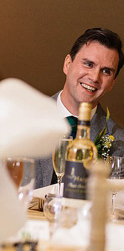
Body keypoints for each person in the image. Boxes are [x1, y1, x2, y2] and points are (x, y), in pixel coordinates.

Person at [33, 27, 124, 188]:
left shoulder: (119, 144)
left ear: (112, 84)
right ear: (67, 64)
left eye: (106, 71)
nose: (95, 77)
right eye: (89, 64)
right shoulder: (23, 119)